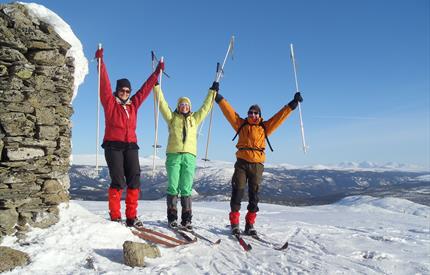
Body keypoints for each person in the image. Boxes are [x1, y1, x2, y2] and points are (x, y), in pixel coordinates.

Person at [214, 84, 303, 236]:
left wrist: (292, 104)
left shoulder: (264, 127)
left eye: (256, 113)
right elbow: (228, 112)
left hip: (257, 165)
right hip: (241, 163)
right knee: (237, 192)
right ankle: (235, 224)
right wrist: (217, 97)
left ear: (259, 115)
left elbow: (279, 117)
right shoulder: (241, 124)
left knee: (254, 196)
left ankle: (250, 224)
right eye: (250, 112)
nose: (253, 115)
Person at [95, 48, 164, 228]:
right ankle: (116, 216)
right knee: (118, 180)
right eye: (122, 91)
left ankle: (131, 216)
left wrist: (157, 73)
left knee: (134, 180)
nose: (125, 93)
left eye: (127, 91)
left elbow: (145, 90)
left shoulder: (133, 105)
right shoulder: (110, 103)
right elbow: (104, 85)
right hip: (113, 146)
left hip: (131, 146)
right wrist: (100, 63)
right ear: (117, 91)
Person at [153, 81, 218, 230]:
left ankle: (187, 219)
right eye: (181, 105)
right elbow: (162, 104)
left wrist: (212, 92)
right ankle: (172, 218)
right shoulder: (172, 118)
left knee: (186, 188)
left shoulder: (194, 119)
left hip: (189, 156)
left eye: (186, 105)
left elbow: (206, 107)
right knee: (173, 186)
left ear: (189, 107)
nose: (184, 107)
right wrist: (156, 87)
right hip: (173, 155)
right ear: (178, 106)